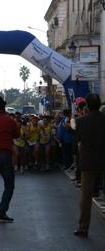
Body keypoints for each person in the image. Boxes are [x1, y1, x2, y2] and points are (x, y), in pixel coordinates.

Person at [74, 94, 105, 237]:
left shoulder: (81, 121)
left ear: (86, 105)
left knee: (86, 197)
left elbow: (78, 141)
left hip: (88, 162)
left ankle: (83, 227)